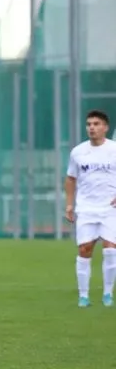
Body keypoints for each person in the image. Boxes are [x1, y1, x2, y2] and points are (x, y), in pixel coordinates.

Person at [64, 109, 116, 308]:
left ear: (105, 127)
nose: (92, 128)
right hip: (86, 208)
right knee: (85, 249)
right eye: (89, 124)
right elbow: (70, 178)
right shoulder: (78, 151)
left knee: (111, 250)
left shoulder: (114, 149)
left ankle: (107, 294)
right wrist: (69, 204)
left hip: (110, 208)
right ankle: (83, 296)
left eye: (96, 124)